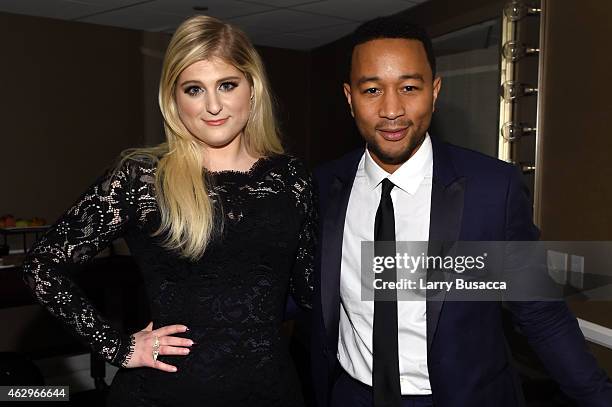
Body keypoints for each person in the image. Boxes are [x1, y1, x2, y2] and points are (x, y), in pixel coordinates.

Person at [311, 15, 612, 407]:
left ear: (434, 91)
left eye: (409, 87)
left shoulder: (492, 189)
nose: (391, 109)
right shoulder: (321, 186)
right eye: (372, 90)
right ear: (350, 98)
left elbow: (540, 311)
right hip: (351, 396)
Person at [22, 15, 315, 406]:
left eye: (227, 85)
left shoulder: (291, 177)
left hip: (271, 391)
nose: (212, 105)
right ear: (174, 99)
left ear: (253, 88)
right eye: (194, 89)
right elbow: (41, 265)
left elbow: (309, 290)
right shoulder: (142, 179)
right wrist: (118, 348)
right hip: (167, 393)